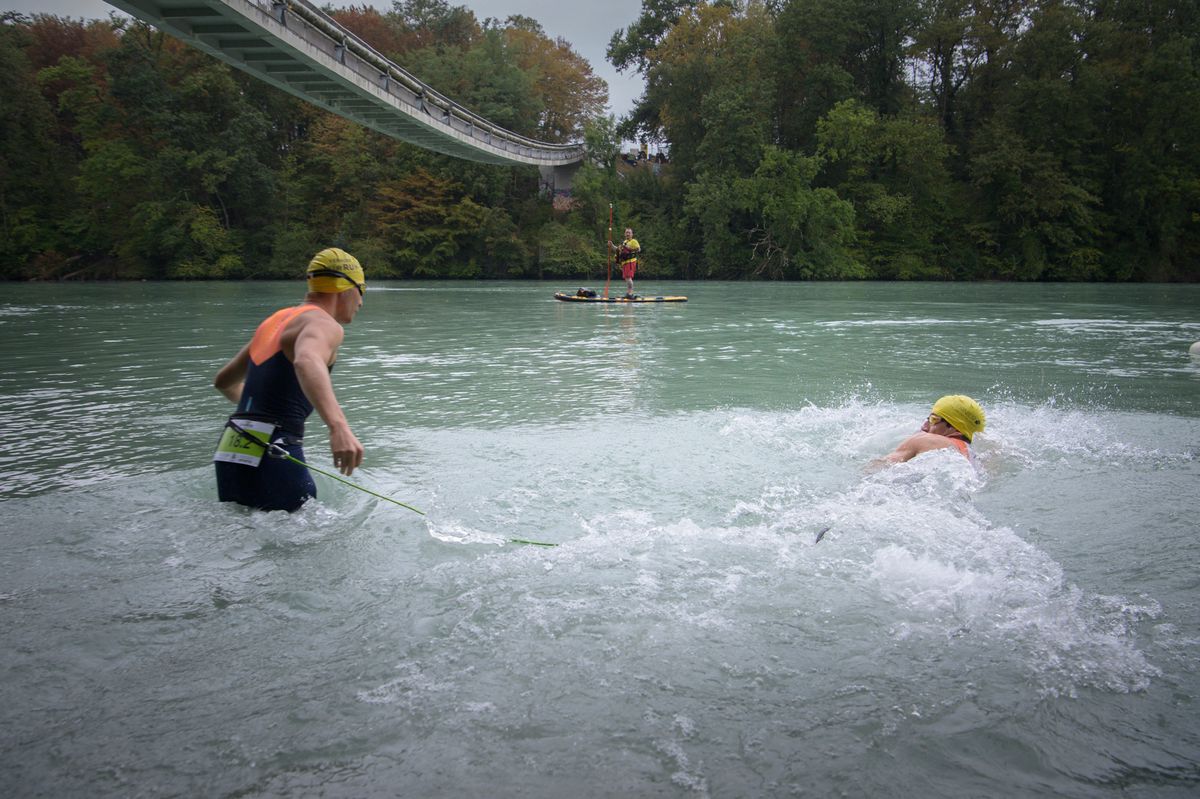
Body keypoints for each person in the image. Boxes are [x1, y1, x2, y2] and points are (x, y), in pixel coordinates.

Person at [212, 247, 366, 512]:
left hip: (231, 446)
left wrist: (257, 417)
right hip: (274, 448)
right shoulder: (324, 324)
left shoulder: (276, 321)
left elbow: (224, 381)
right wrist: (338, 427)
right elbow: (307, 360)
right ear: (346, 288)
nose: (361, 302)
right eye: (362, 290)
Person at [877, 395, 986, 466]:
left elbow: (876, 469)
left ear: (956, 429)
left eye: (933, 419)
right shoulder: (976, 459)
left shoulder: (927, 440)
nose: (924, 426)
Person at [610, 227, 641, 299]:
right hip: (624, 262)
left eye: (629, 232)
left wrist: (629, 248)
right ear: (624, 234)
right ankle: (629, 293)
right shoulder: (624, 242)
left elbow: (639, 249)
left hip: (630, 262)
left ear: (632, 234)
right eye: (626, 232)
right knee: (626, 278)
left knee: (628, 277)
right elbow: (617, 250)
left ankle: (630, 293)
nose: (627, 234)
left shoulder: (634, 241)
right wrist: (611, 245)